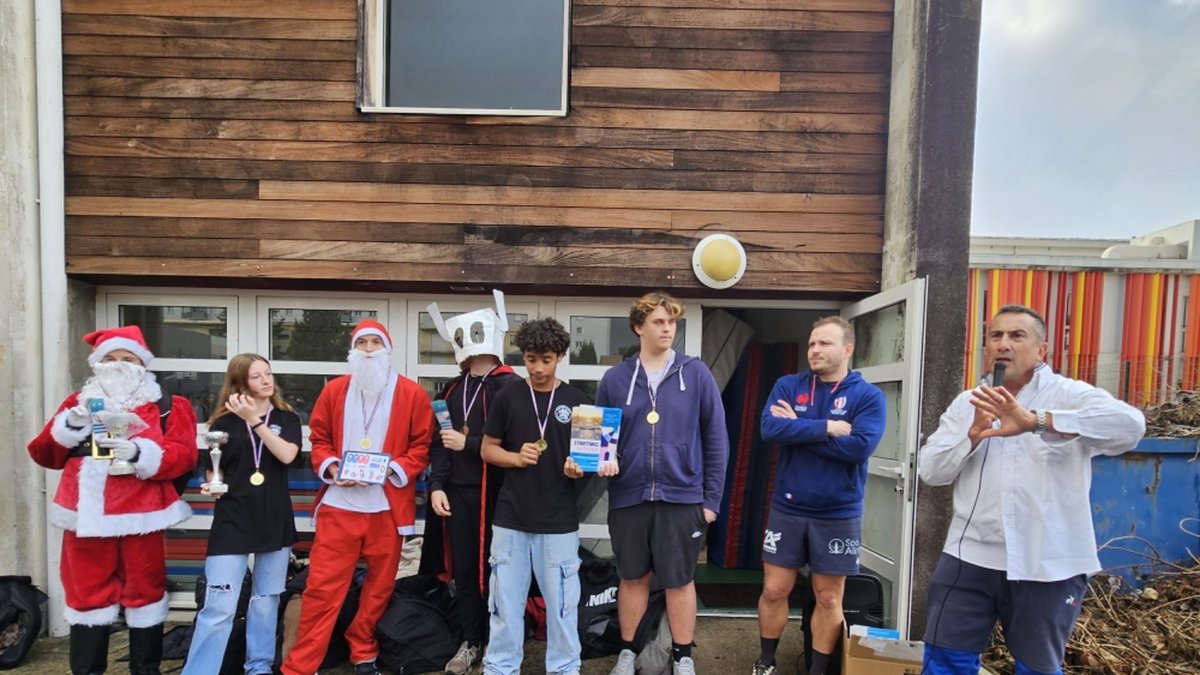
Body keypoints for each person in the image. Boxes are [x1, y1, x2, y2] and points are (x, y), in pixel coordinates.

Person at [918, 305, 1145, 675]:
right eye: (995, 335)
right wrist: (971, 436)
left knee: (1036, 668)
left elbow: (1131, 427)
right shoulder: (968, 402)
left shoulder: (1069, 395)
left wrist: (1037, 421)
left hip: (1048, 561)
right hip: (969, 556)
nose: (1003, 344)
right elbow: (931, 471)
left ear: (1042, 350)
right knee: (945, 663)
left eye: (1017, 336)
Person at [28, 325, 198, 675]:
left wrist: (140, 453)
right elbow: (43, 454)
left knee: (146, 594)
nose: (118, 365)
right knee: (86, 598)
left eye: (128, 359)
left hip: (141, 517)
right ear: (97, 363)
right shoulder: (76, 403)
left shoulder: (168, 406)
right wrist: (70, 425)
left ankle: (145, 670)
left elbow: (185, 456)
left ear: (143, 364)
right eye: (110, 358)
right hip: (85, 517)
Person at [281, 320, 434, 675]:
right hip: (340, 506)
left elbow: (421, 445)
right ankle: (302, 665)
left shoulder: (411, 393)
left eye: (374, 343)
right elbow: (319, 438)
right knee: (322, 589)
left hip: (387, 508)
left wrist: (390, 469)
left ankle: (363, 649)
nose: (368, 349)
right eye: (361, 343)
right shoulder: (334, 390)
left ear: (387, 349)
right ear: (352, 350)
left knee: (380, 589)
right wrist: (333, 468)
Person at [595, 292, 729, 675]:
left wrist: (711, 502)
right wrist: (604, 459)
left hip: (683, 498)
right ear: (638, 327)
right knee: (632, 578)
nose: (667, 328)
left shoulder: (696, 374)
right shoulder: (615, 379)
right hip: (630, 497)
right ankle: (627, 653)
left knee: (680, 581)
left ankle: (683, 657)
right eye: (658, 321)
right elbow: (603, 438)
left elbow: (716, 439)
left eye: (671, 322)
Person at [751, 316, 886, 675]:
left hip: (838, 513)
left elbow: (858, 448)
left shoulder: (868, 396)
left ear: (847, 349)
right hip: (788, 507)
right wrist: (826, 428)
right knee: (774, 590)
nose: (814, 349)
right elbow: (770, 429)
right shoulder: (788, 385)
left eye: (824, 343)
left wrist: (796, 429)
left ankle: (818, 670)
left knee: (828, 597)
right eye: (812, 343)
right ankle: (765, 663)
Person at [479, 317, 591, 675]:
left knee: (562, 606)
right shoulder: (507, 396)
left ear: (560, 356)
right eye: (530, 359)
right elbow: (486, 449)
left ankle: (564, 668)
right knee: (504, 604)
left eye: (546, 359)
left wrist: (578, 469)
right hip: (511, 518)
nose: (538, 368)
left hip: (559, 520)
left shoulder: (578, 401)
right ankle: (500, 667)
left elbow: (591, 459)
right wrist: (515, 458)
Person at [183, 354, 302, 675]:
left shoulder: (286, 418)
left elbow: (287, 455)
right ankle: (200, 671)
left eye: (268, 373)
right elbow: (214, 471)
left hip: (274, 518)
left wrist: (255, 421)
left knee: (266, 600)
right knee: (219, 605)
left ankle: (259, 667)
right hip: (232, 520)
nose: (266, 380)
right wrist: (212, 485)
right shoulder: (222, 424)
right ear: (240, 383)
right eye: (256, 376)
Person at [423, 291, 522, 674]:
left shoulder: (511, 387)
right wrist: (436, 485)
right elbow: (439, 444)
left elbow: (517, 443)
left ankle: (502, 645)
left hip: (501, 495)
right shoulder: (451, 390)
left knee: (503, 572)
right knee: (464, 571)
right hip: (459, 494)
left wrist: (470, 443)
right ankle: (471, 640)